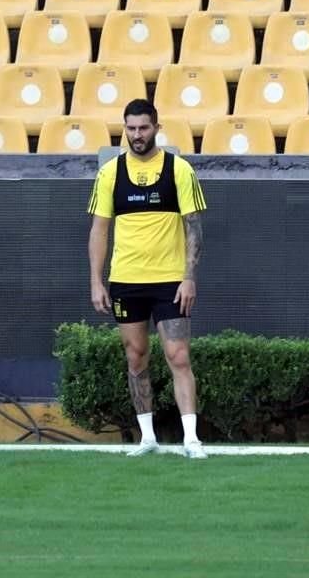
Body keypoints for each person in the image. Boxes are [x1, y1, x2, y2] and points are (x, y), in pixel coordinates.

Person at [87, 99, 208, 459]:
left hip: (170, 281)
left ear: (156, 127)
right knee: (136, 357)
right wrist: (97, 281)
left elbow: (194, 228)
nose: (137, 135)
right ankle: (147, 438)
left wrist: (189, 277)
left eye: (143, 128)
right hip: (126, 280)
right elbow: (99, 229)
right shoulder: (110, 172)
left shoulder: (179, 170)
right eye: (131, 129)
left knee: (179, 355)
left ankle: (191, 439)